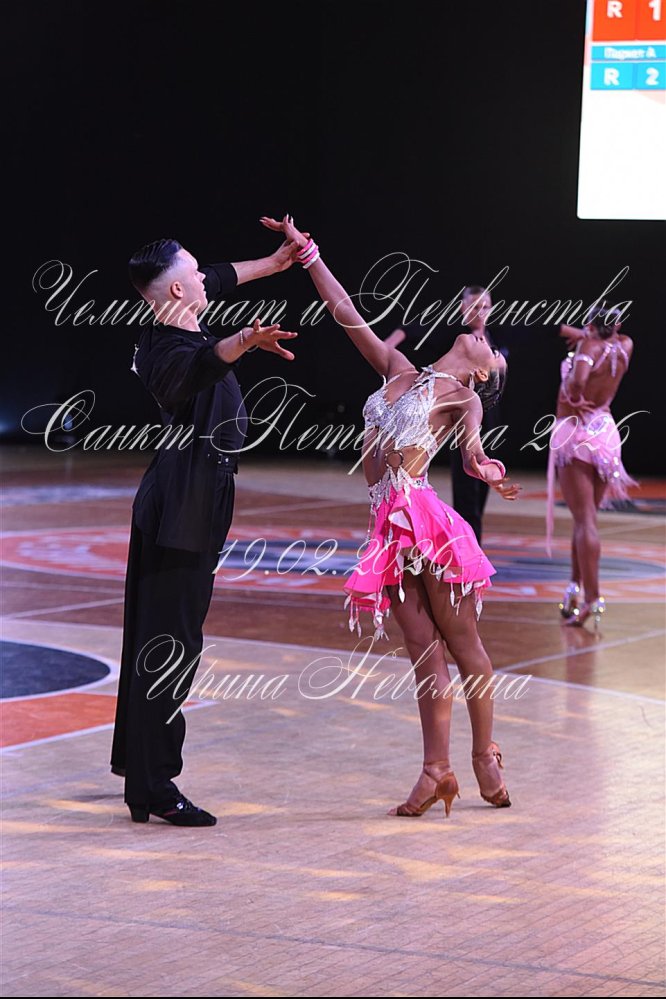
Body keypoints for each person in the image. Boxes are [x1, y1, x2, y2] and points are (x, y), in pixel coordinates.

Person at [261, 213, 521, 817]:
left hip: (424, 522)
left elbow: (474, 452)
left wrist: (488, 470)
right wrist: (308, 255)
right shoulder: (399, 370)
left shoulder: (465, 397)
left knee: (463, 643)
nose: (481, 336)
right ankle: (435, 770)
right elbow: (346, 313)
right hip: (386, 526)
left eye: (490, 348)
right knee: (422, 649)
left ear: (484, 369)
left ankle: (485, 754)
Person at [109, 234, 298, 825]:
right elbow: (193, 372)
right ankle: (155, 787)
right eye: (193, 272)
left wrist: (275, 263)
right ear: (175, 288)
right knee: (171, 645)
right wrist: (244, 340)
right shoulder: (163, 348)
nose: (205, 277)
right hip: (182, 505)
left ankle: (135, 765)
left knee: (157, 637)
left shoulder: (181, 308)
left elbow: (223, 274)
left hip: (193, 496)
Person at [386, 287, 508, 544]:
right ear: (462, 308)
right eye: (474, 306)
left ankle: (470, 546)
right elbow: (412, 328)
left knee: (478, 493)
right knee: (465, 495)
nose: (479, 312)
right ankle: (466, 546)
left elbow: (541, 331)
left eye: (485, 307)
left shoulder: (492, 340)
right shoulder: (458, 339)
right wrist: (387, 350)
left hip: (488, 423)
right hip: (458, 423)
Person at [547, 307, 636, 630]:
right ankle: (574, 586)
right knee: (586, 520)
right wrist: (584, 335)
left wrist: (572, 391)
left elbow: (577, 384)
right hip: (605, 430)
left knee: (585, 521)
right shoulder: (625, 345)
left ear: (590, 324)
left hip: (577, 432)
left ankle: (592, 599)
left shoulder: (588, 347)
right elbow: (600, 338)